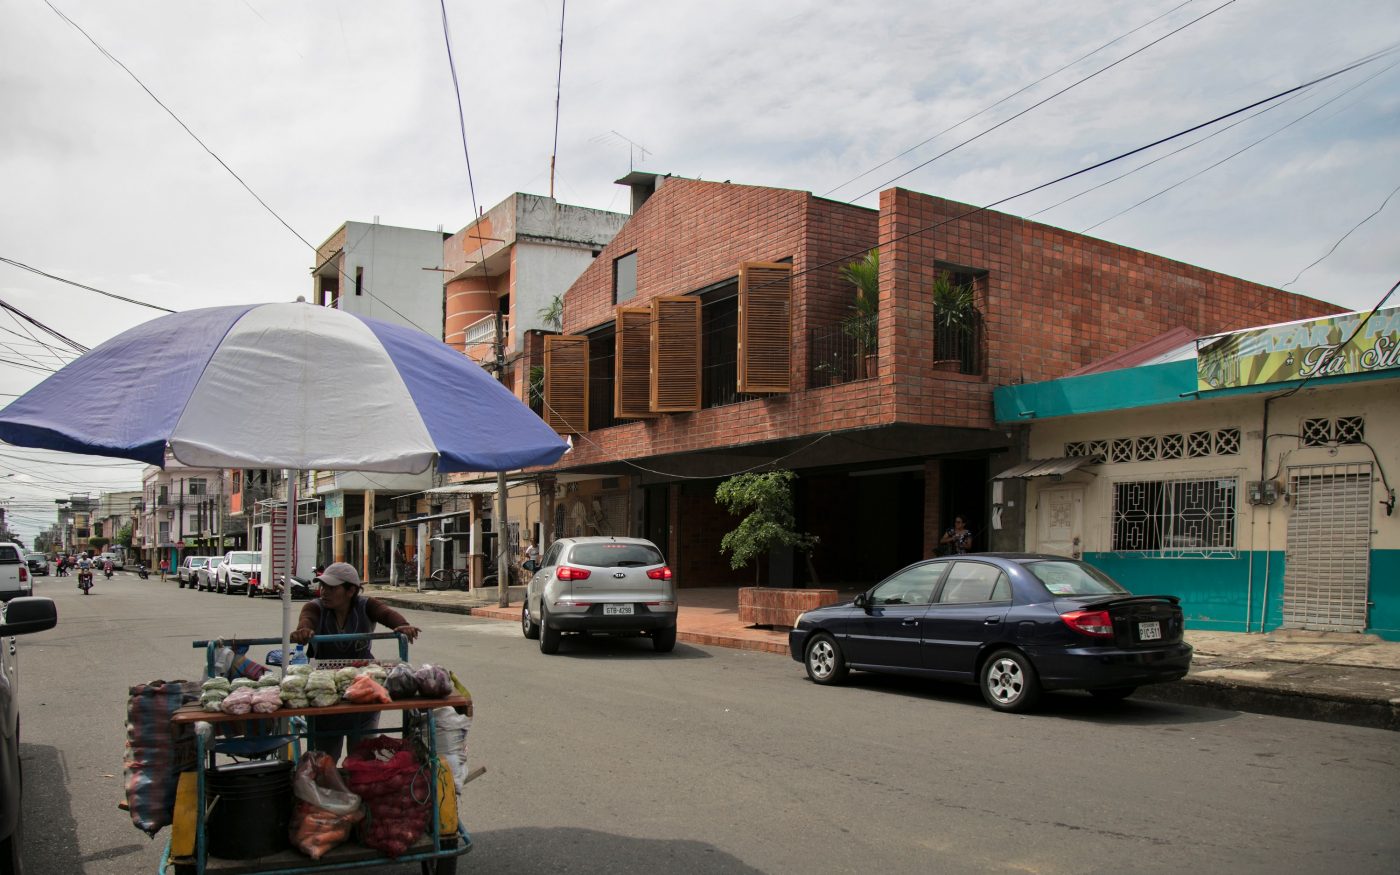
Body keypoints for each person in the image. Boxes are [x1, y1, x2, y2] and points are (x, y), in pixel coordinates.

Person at [289, 562, 422, 760]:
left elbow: (387, 614)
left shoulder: (366, 605)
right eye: (322, 586)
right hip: (326, 690)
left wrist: (403, 626)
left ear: (351, 590)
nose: (324, 592)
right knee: (325, 756)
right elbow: (307, 619)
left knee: (362, 755)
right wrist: (304, 631)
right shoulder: (315, 607)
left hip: (363, 688)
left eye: (331, 588)